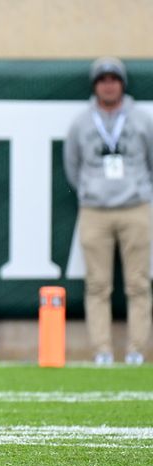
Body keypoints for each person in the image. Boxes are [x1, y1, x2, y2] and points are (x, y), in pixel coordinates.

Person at [64, 57, 153, 366]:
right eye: (103, 80)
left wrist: (140, 189)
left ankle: (136, 351)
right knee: (97, 285)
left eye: (114, 79)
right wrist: (92, 191)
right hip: (94, 211)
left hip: (135, 208)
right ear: (95, 85)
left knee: (138, 283)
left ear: (123, 83)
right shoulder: (82, 123)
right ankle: (101, 350)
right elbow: (72, 167)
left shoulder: (143, 119)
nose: (109, 84)